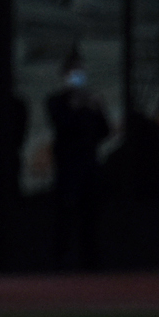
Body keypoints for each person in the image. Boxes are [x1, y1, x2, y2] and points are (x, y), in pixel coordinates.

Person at [46, 50, 111, 269]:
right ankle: (60, 263)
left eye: (81, 72)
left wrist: (97, 108)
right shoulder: (56, 101)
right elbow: (62, 125)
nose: (78, 77)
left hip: (89, 168)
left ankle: (91, 264)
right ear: (65, 75)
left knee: (91, 220)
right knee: (64, 218)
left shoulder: (92, 101)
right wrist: (76, 106)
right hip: (67, 168)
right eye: (74, 73)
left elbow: (104, 131)